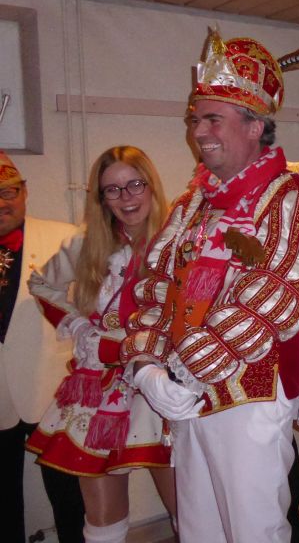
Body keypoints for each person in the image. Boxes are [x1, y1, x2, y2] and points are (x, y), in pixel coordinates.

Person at [120, 29, 299, 542]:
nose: (199, 131)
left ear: (255, 126)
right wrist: (147, 366)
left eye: (212, 119)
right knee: (198, 529)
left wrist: (185, 371)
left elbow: (275, 292)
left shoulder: (288, 197)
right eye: (195, 119)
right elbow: (155, 286)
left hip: (248, 399)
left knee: (252, 531)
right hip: (185, 394)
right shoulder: (192, 203)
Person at [26, 146, 174, 543]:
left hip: (163, 387)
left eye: (135, 184)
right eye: (113, 189)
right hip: (100, 388)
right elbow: (41, 284)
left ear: (152, 185)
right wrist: (78, 327)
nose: (126, 198)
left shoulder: (180, 243)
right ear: (102, 198)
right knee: (103, 519)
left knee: (189, 508)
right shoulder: (86, 243)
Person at [0, 150, 86, 542]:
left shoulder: (63, 237)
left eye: (9, 192)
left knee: (69, 499)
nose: (2, 203)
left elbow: (93, 305)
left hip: (53, 391)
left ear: (25, 192)